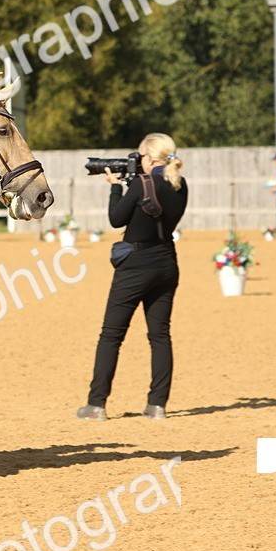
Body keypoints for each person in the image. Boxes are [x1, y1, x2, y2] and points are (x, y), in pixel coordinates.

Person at [77, 133, 188, 421]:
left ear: (150, 159)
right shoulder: (180, 184)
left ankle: (96, 404)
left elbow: (116, 219)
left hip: (136, 265)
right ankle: (157, 405)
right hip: (166, 261)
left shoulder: (142, 184)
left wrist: (116, 188)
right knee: (160, 335)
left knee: (111, 336)